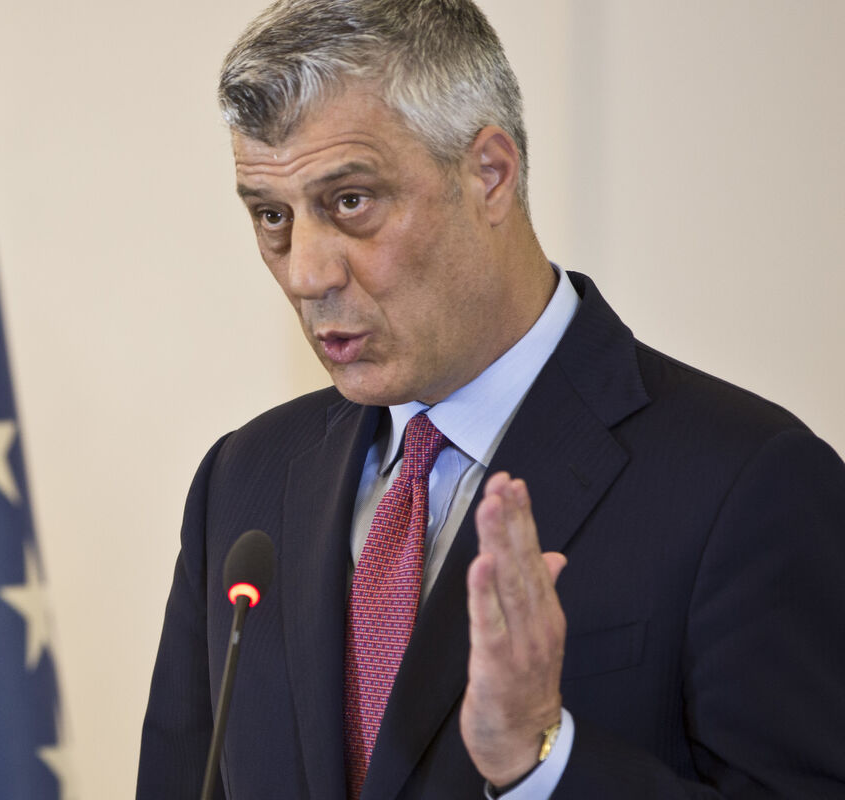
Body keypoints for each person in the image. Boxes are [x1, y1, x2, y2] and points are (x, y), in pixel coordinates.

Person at [137, 1, 845, 797]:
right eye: (273, 215)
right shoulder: (242, 481)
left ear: (490, 174)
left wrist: (544, 761)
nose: (306, 273)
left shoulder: (748, 483)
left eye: (351, 202)